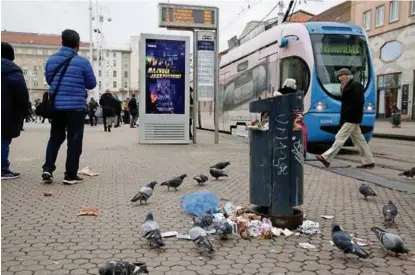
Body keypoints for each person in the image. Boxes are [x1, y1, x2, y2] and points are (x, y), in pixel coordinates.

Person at [42, 29, 97, 185]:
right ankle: (70, 175)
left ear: (62, 42)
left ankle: (47, 169)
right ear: (77, 45)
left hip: (57, 106)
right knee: (74, 140)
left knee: (55, 138)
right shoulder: (82, 62)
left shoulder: (51, 60)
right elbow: (91, 84)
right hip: (76, 108)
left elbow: (49, 79)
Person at [316, 68, 374, 168]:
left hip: (352, 117)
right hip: (349, 117)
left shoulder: (355, 85)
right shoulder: (346, 86)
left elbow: (358, 102)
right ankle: (368, 161)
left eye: (341, 75)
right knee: (360, 141)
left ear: (346, 75)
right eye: (338, 76)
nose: (339, 78)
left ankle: (327, 158)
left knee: (340, 137)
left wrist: (349, 114)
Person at [1, 42, 29, 180]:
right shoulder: (13, 70)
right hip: (6, 112)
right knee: (3, 139)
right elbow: (22, 96)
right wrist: (22, 112)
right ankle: (2, 169)